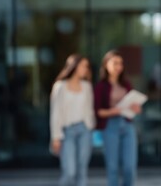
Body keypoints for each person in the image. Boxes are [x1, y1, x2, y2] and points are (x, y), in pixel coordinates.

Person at [94, 49, 142, 186]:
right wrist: (114, 111)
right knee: (113, 168)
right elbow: (98, 112)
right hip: (110, 127)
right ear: (106, 65)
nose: (118, 67)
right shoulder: (100, 87)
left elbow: (133, 104)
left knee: (129, 168)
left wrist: (136, 108)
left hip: (127, 125)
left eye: (120, 63)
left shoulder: (126, 84)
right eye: (115, 63)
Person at [50, 54, 96, 186]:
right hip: (67, 132)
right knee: (70, 172)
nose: (86, 69)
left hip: (85, 131)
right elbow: (55, 113)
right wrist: (55, 137)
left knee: (82, 172)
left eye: (87, 66)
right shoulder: (60, 86)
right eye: (83, 66)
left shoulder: (87, 86)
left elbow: (89, 109)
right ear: (74, 66)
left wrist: (91, 127)